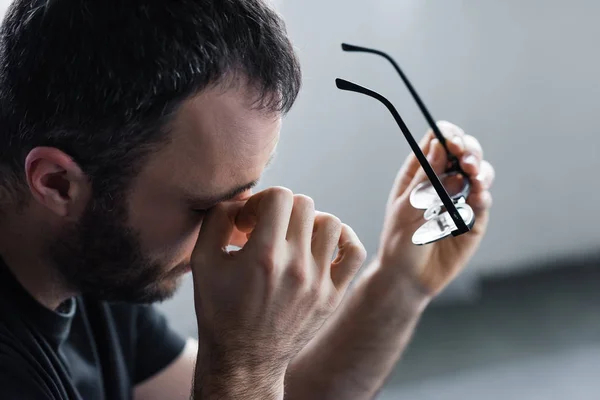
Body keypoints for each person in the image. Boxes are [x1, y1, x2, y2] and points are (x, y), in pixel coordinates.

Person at [0, 0, 495, 399]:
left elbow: (283, 395)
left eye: (246, 192)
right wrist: (244, 364)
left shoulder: (92, 261)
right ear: (58, 184)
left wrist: (399, 282)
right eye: (203, 207)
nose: (240, 230)